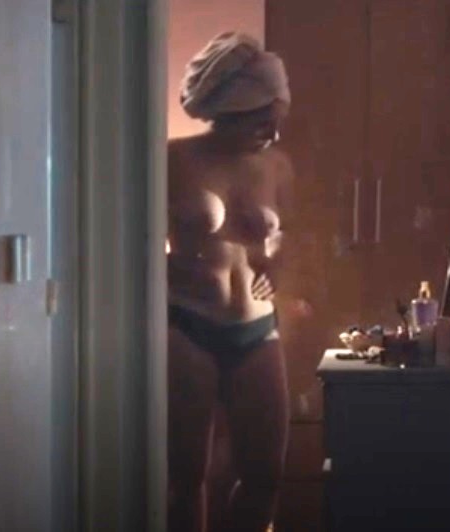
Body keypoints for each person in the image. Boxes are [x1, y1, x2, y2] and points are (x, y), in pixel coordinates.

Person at [167, 31, 295, 532]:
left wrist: (274, 265)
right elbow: (129, 239)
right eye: (263, 122)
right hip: (188, 325)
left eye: (277, 122)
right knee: (185, 477)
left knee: (266, 477)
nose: (273, 135)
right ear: (232, 110)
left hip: (258, 330)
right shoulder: (174, 158)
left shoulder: (276, 165)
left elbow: (286, 235)